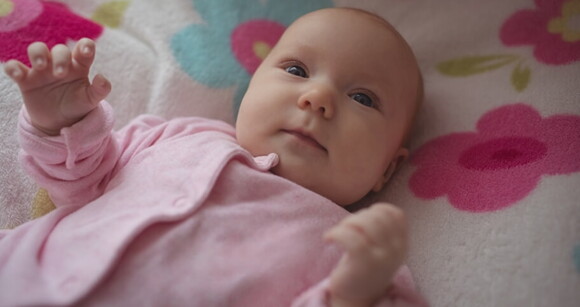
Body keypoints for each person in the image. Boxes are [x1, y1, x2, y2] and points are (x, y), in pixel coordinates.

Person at [0, 7, 426, 307]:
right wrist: (63, 124)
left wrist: (352, 295)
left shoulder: (353, 253)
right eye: (296, 71)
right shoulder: (177, 134)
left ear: (387, 168)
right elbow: (81, 185)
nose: (318, 99)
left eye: (362, 98)